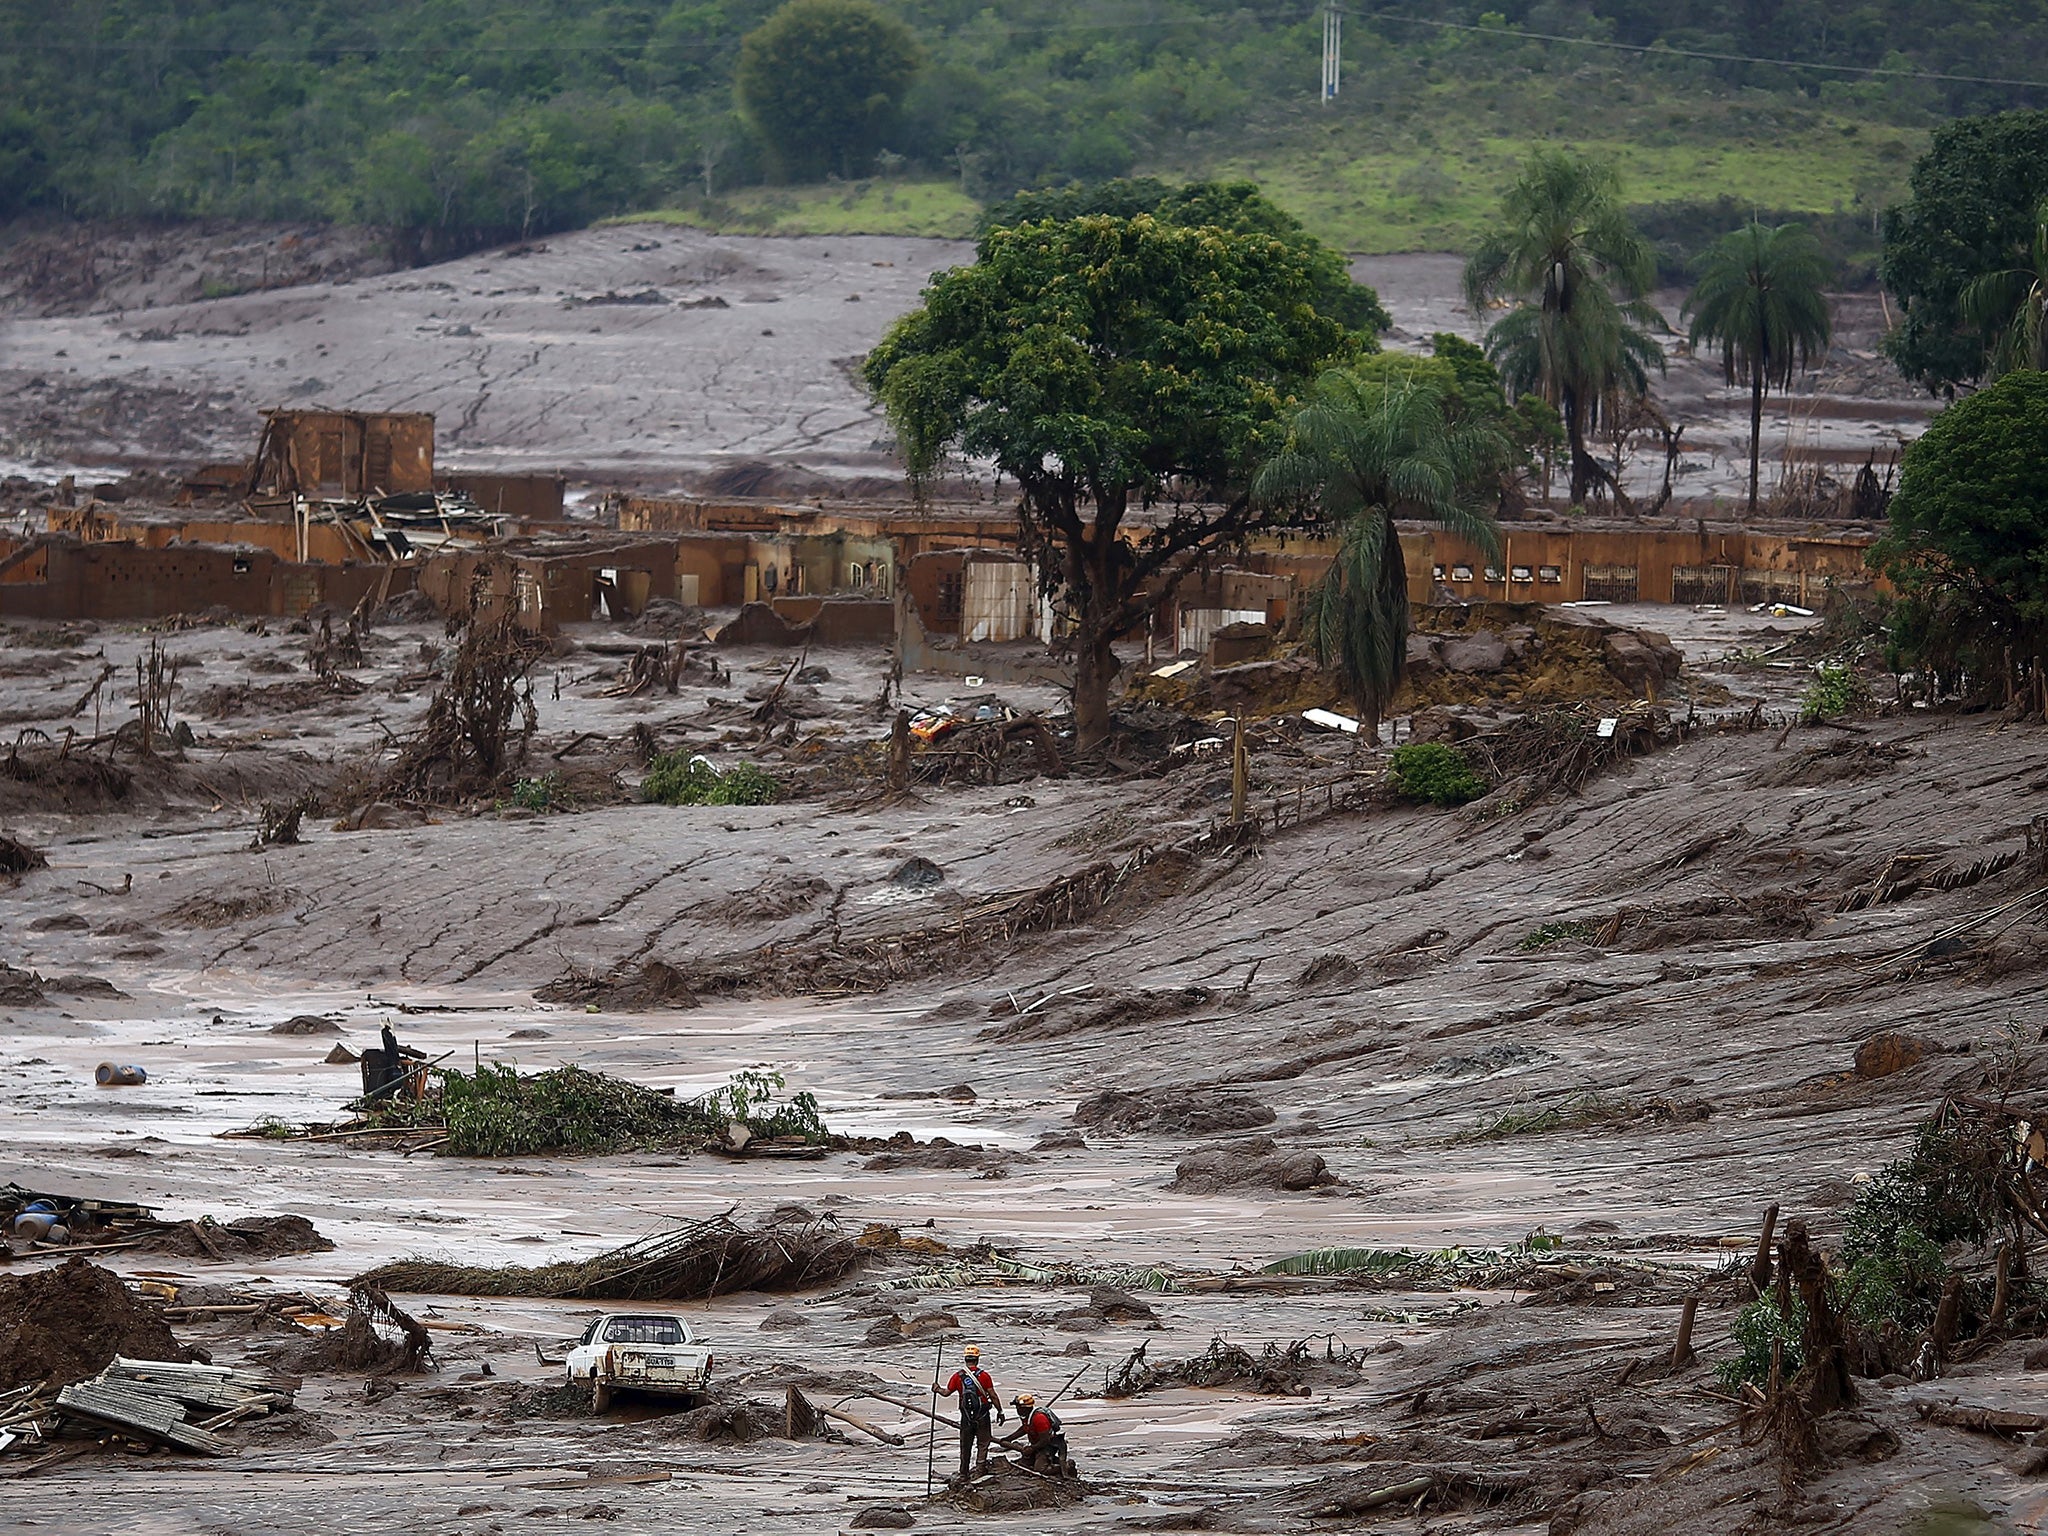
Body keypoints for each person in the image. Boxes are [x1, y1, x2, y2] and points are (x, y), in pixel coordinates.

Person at [933, 1343, 1003, 1480]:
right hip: (982, 1414)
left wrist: (937, 1389)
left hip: (966, 1416)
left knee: (965, 1445)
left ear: (965, 1359)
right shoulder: (984, 1376)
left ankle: (963, 1473)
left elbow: (946, 1393)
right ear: (977, 1359)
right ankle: (980, 1469)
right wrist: (1000, 1411)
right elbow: (993, 1395)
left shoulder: (957, 1376)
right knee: (983, 1443)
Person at [997, 1392, 1069, 1475]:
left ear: (1026, 1408)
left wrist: (1032, 1448)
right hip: (1038, 1443)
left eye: (1018, 1408)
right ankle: (1051, 1460)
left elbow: (1045, 1440)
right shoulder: (1026, 1416)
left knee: (1040, 1469)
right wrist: (1009, 1438)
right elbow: (1024, 1429)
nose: (1017, 1410)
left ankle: (1066, 1466)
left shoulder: (1039, 1418)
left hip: (1049, 1445)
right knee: (1024, 1464)